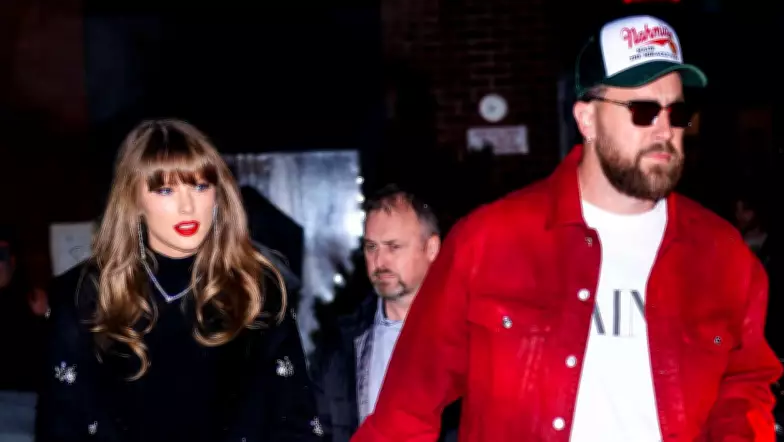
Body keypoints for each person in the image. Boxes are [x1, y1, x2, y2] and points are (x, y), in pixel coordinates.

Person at [352, 15, 783, 442]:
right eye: (643, 110)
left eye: (678, 112)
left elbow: (745, 386)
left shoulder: (721, 254)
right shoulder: (490, 242)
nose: (664, 130)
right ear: (587, 119)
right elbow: (406, 410)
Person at [36, 119, 323, 442]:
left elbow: (295, 421)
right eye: (165, 190)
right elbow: (61, 424)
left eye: (200, 187)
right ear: (134, 201)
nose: (188, 207)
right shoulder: (83, 295)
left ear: (218, 194)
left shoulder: (257, 290)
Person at [312, 185, 458, 442]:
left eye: (393, 247)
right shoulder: (341, 342)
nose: (379, 262)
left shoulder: (466, 338)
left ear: (432, 249)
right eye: (371, 247)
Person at [0, 227, 46, 392]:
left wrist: (44, 314)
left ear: (12, 261)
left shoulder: (29, 295)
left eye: (1, 256)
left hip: (23, 392)